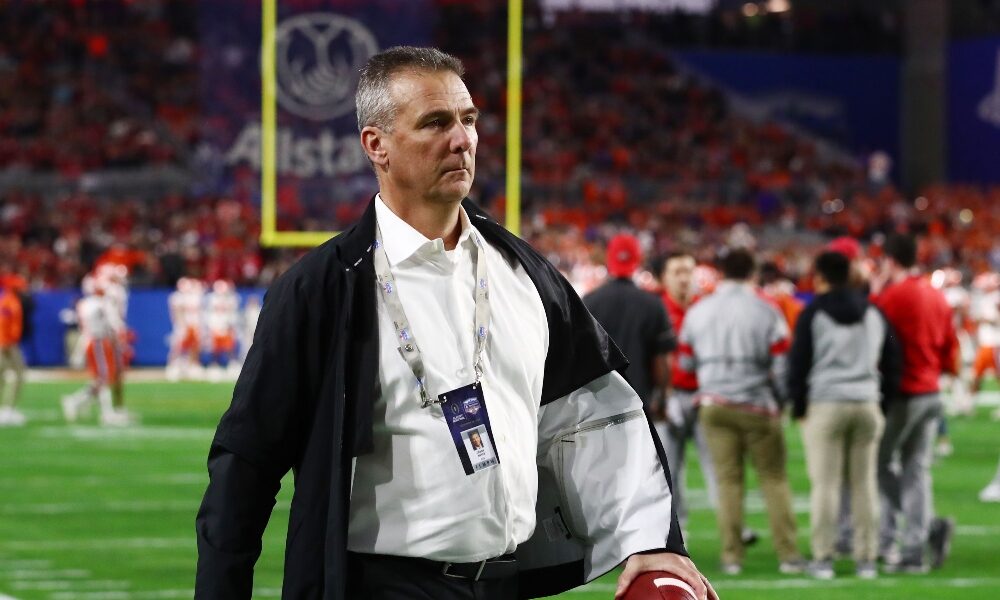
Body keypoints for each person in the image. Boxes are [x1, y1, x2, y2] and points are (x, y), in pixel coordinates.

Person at [195, 46, 716, 600]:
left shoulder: (524, 272)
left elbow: (593, 414)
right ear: (377, 146)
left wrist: (650, 538)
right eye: (435, 123)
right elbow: (246, 463)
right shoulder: (321, 288)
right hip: (380, 586)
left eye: (468, 120)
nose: (462, 139)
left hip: (503, 582)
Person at [678, 247, 805, 575]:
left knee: (728, 482)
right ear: (753, 273)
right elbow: (781, 364)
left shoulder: (699, 310)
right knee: (774, 479)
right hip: (757, 404)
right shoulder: (767, 309)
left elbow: (686, 362)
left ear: (721, 272)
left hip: (714, 404)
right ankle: (788, 555)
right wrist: (779, 400)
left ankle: (732, 557)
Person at [787, 251, 901, 580]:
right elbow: (894, 353)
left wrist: (799, 406)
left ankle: (824, 557)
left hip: (826, 405)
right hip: (866, 403)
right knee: (864, 485)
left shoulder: (812, 314)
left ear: (820, 277)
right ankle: (866, 558)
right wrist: (883, 400)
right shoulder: (875, 312)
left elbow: (799, 362)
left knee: (826, 485)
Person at [871, 233, 957, 572]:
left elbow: (875, 334)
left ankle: (925, 528)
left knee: (877, 465)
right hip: (932, 391)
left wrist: (877, 291)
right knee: (916, 469)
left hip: (905, 393)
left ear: (890, 261)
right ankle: (913, 546)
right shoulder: (936, 296)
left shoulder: (892, 296)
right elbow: (950, 347)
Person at [583, 233, 674, 414]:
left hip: (598, 404)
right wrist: (663, 399)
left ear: (609, 260)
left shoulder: (588, 302)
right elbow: (662, 362)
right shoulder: (653, 304)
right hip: (638, 403)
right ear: (638, 260)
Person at [0, 284, 26, 426]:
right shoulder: (8, 302)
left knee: (3, 375)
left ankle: (7, 409)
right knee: (18, 374)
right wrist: (5, 343)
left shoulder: (9, 300)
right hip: (6, 344)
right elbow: (3, 322)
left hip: (7, 343)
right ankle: (8, 410)